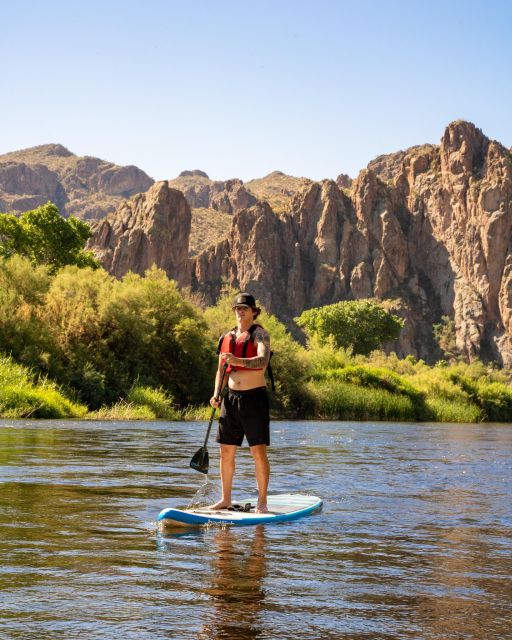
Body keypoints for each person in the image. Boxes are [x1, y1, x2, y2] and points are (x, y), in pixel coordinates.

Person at [209, 293, 271, 514]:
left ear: (254, 311)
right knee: (225, 451)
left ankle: (262, 502)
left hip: (254, 398)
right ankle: (225, 499)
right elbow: (221, 371)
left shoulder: (260, 335)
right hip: (230, 399)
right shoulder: (226, 337)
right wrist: (216, 394)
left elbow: (263, 360)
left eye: (245, 308)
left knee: (258, 452)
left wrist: (238, 361)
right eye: (237, 308)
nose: (240, 311)